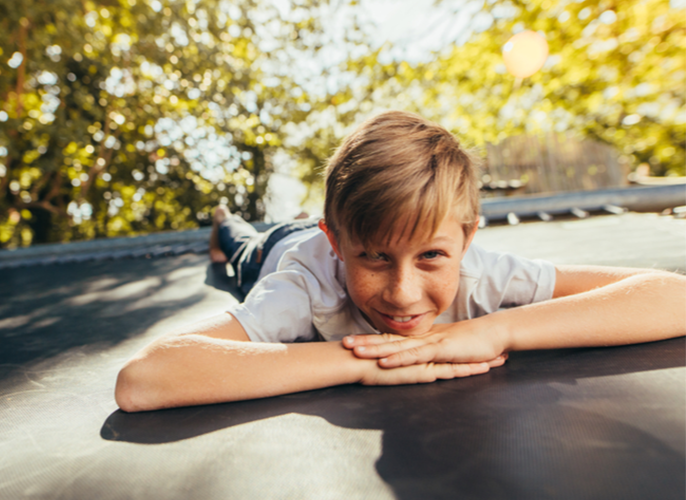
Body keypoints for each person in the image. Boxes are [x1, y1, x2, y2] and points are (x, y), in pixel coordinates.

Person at [115, 110, 686, 412]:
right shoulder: (304, 285)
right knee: (239, 246)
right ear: (338, 245)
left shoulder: (482, 271)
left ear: (466, 240)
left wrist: (496, 329)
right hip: (279, 248)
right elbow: (144, 379)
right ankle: (225, 223)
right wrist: (361, 362)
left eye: (432, 256)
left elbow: (673, 294)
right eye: (375, 258)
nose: (405, 293)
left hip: (330, 229)